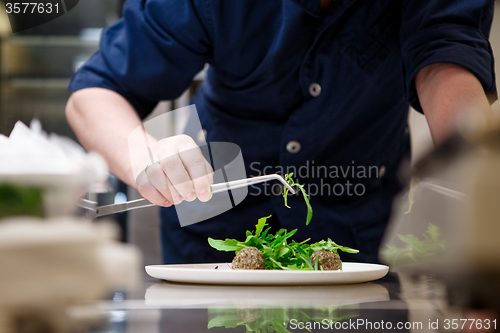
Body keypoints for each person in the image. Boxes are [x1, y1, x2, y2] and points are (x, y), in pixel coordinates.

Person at [66, 0, 497, 264]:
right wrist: (145, 154)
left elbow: (446, 52)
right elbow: (96, 92)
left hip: (352, 241)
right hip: (212, 244)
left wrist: (482, 190)